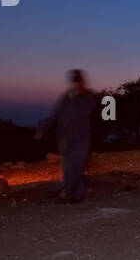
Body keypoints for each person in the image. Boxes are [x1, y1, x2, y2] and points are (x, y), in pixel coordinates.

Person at [36, 69, 96, 203]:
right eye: (74, 82)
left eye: (78, 82)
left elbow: (88, 110)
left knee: (77, 166)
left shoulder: (87, 98)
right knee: (68, 167)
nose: (76, 85)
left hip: (82, 137)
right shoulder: (64, 98)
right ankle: (72, 194)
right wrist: (41, 129)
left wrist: (79, 96)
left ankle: (72, 194)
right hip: (64, 137)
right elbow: (53, 114)